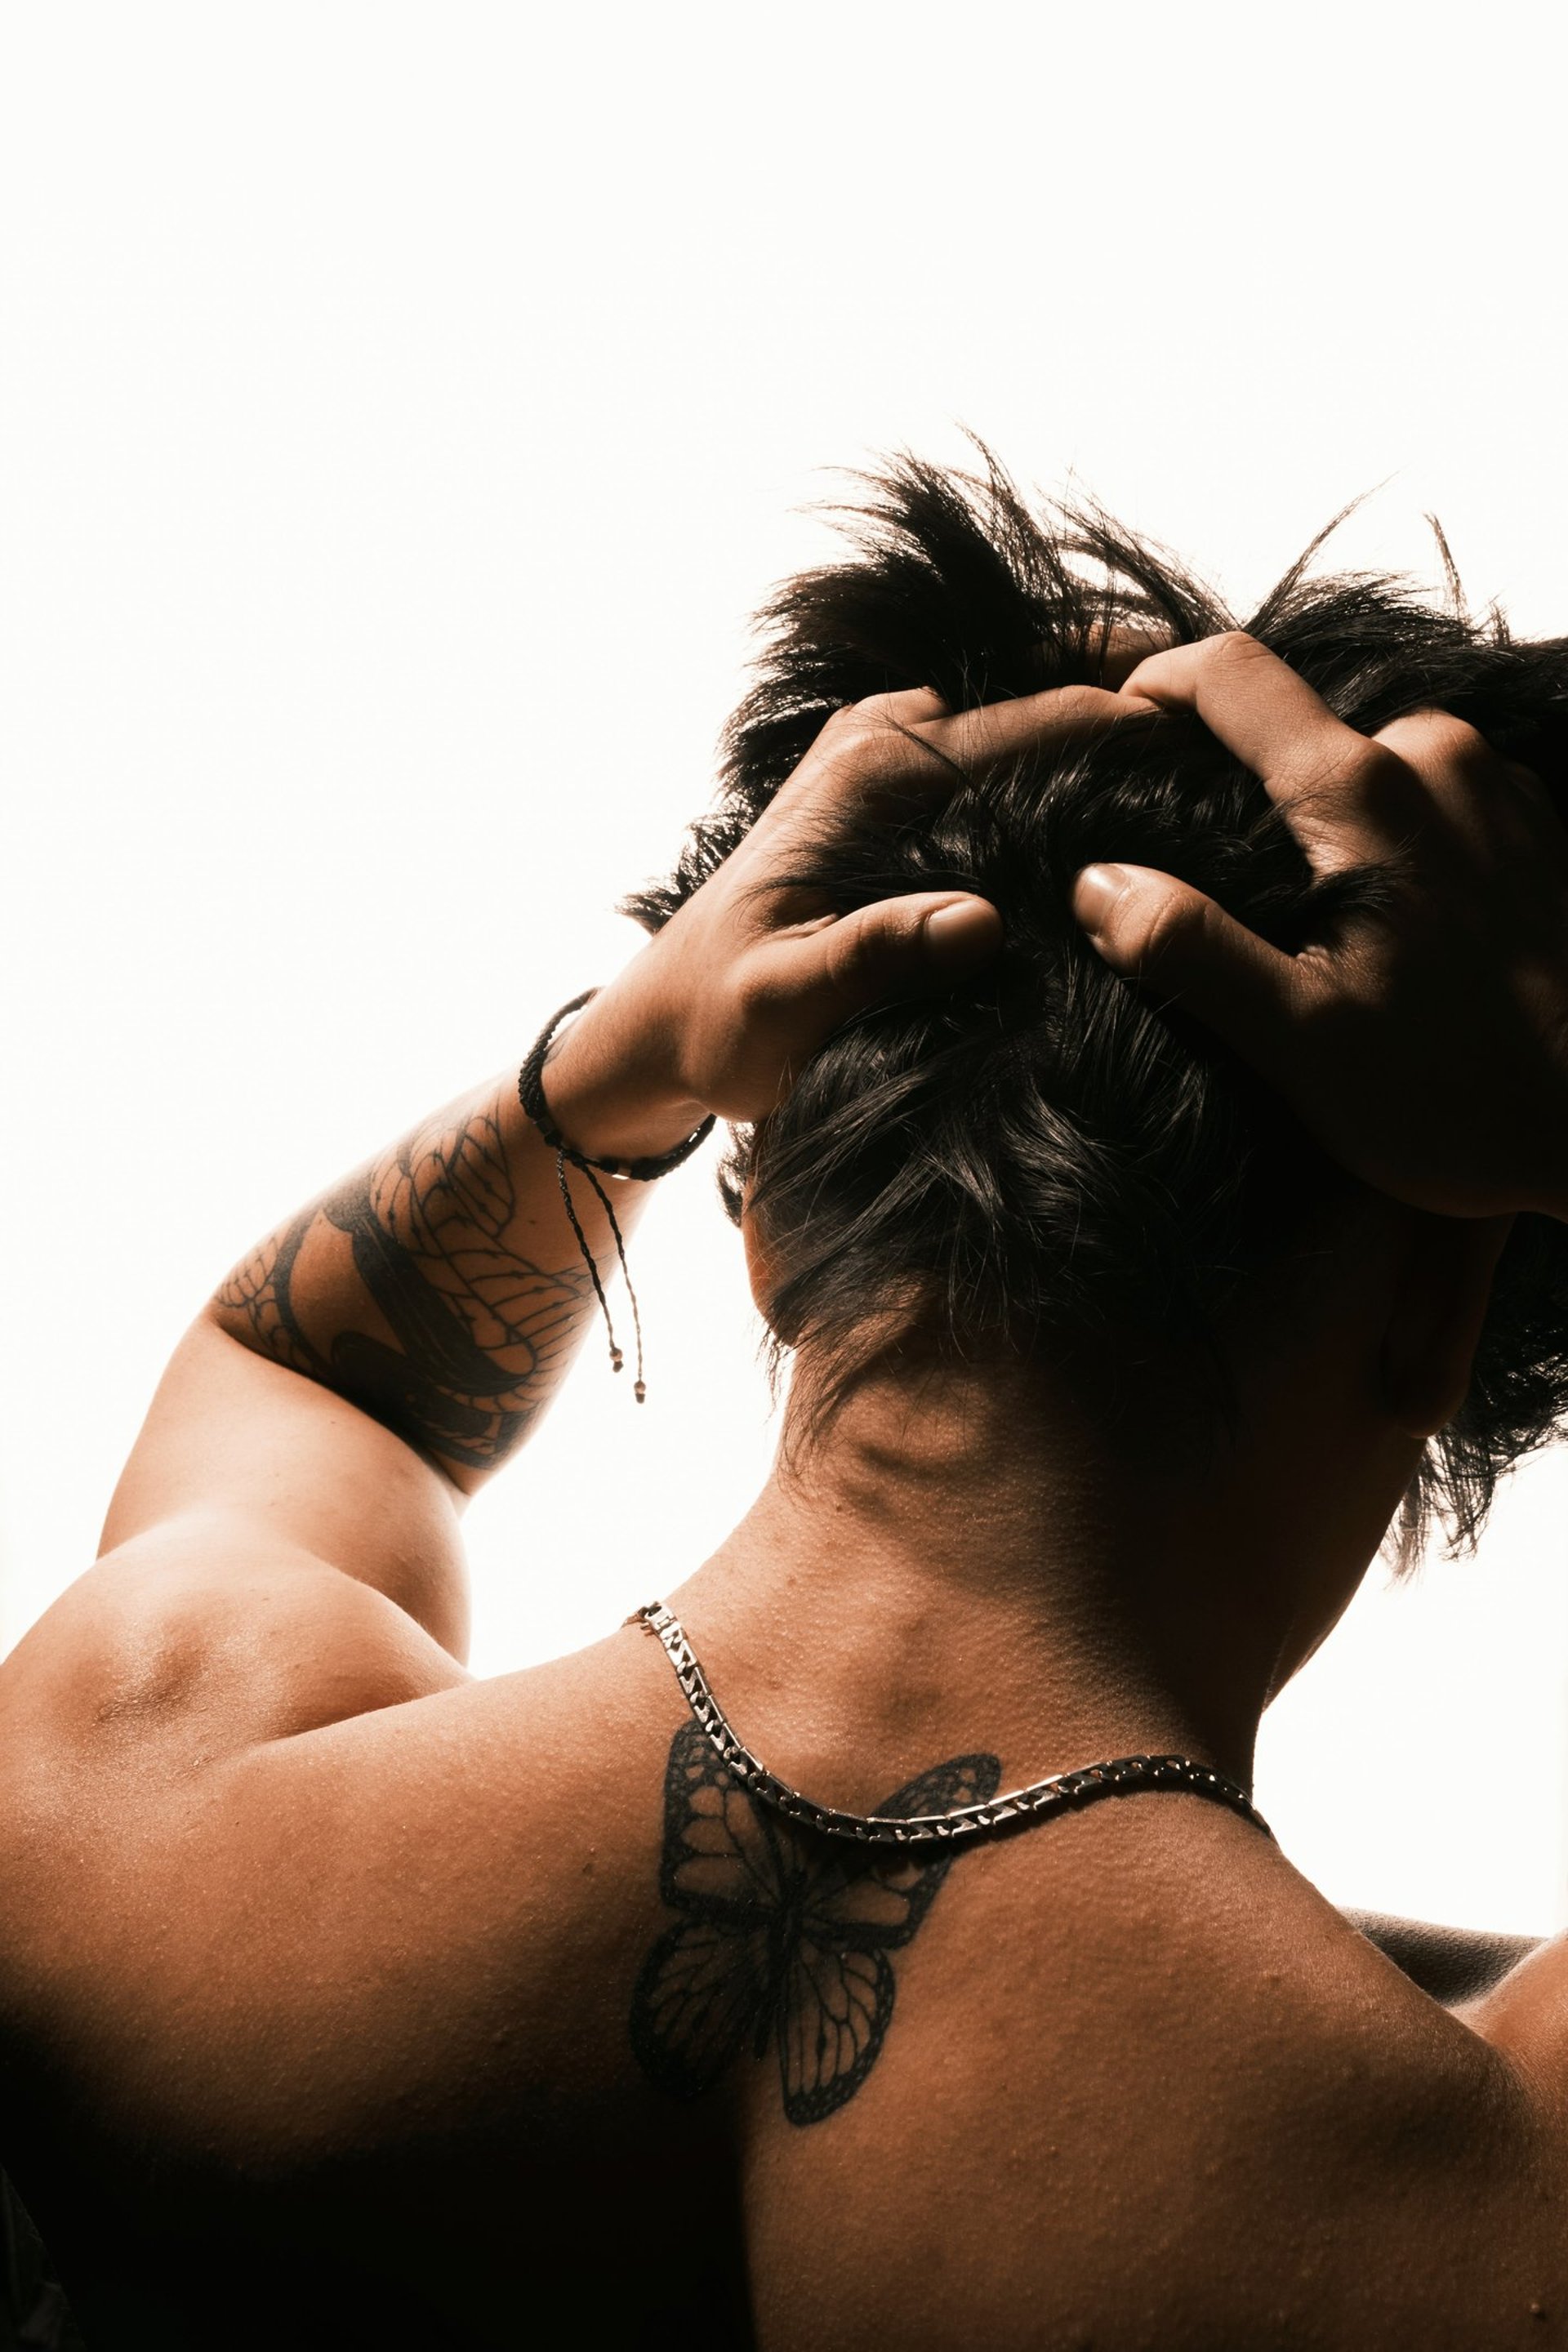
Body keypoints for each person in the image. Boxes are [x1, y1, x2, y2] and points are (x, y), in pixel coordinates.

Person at [5, 452, 1568, 2349]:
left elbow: (317, 1370)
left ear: (764, 1223)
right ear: (1448, 1311)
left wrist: (611, 1070)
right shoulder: (1495, 2172)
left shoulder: (147, 1783)